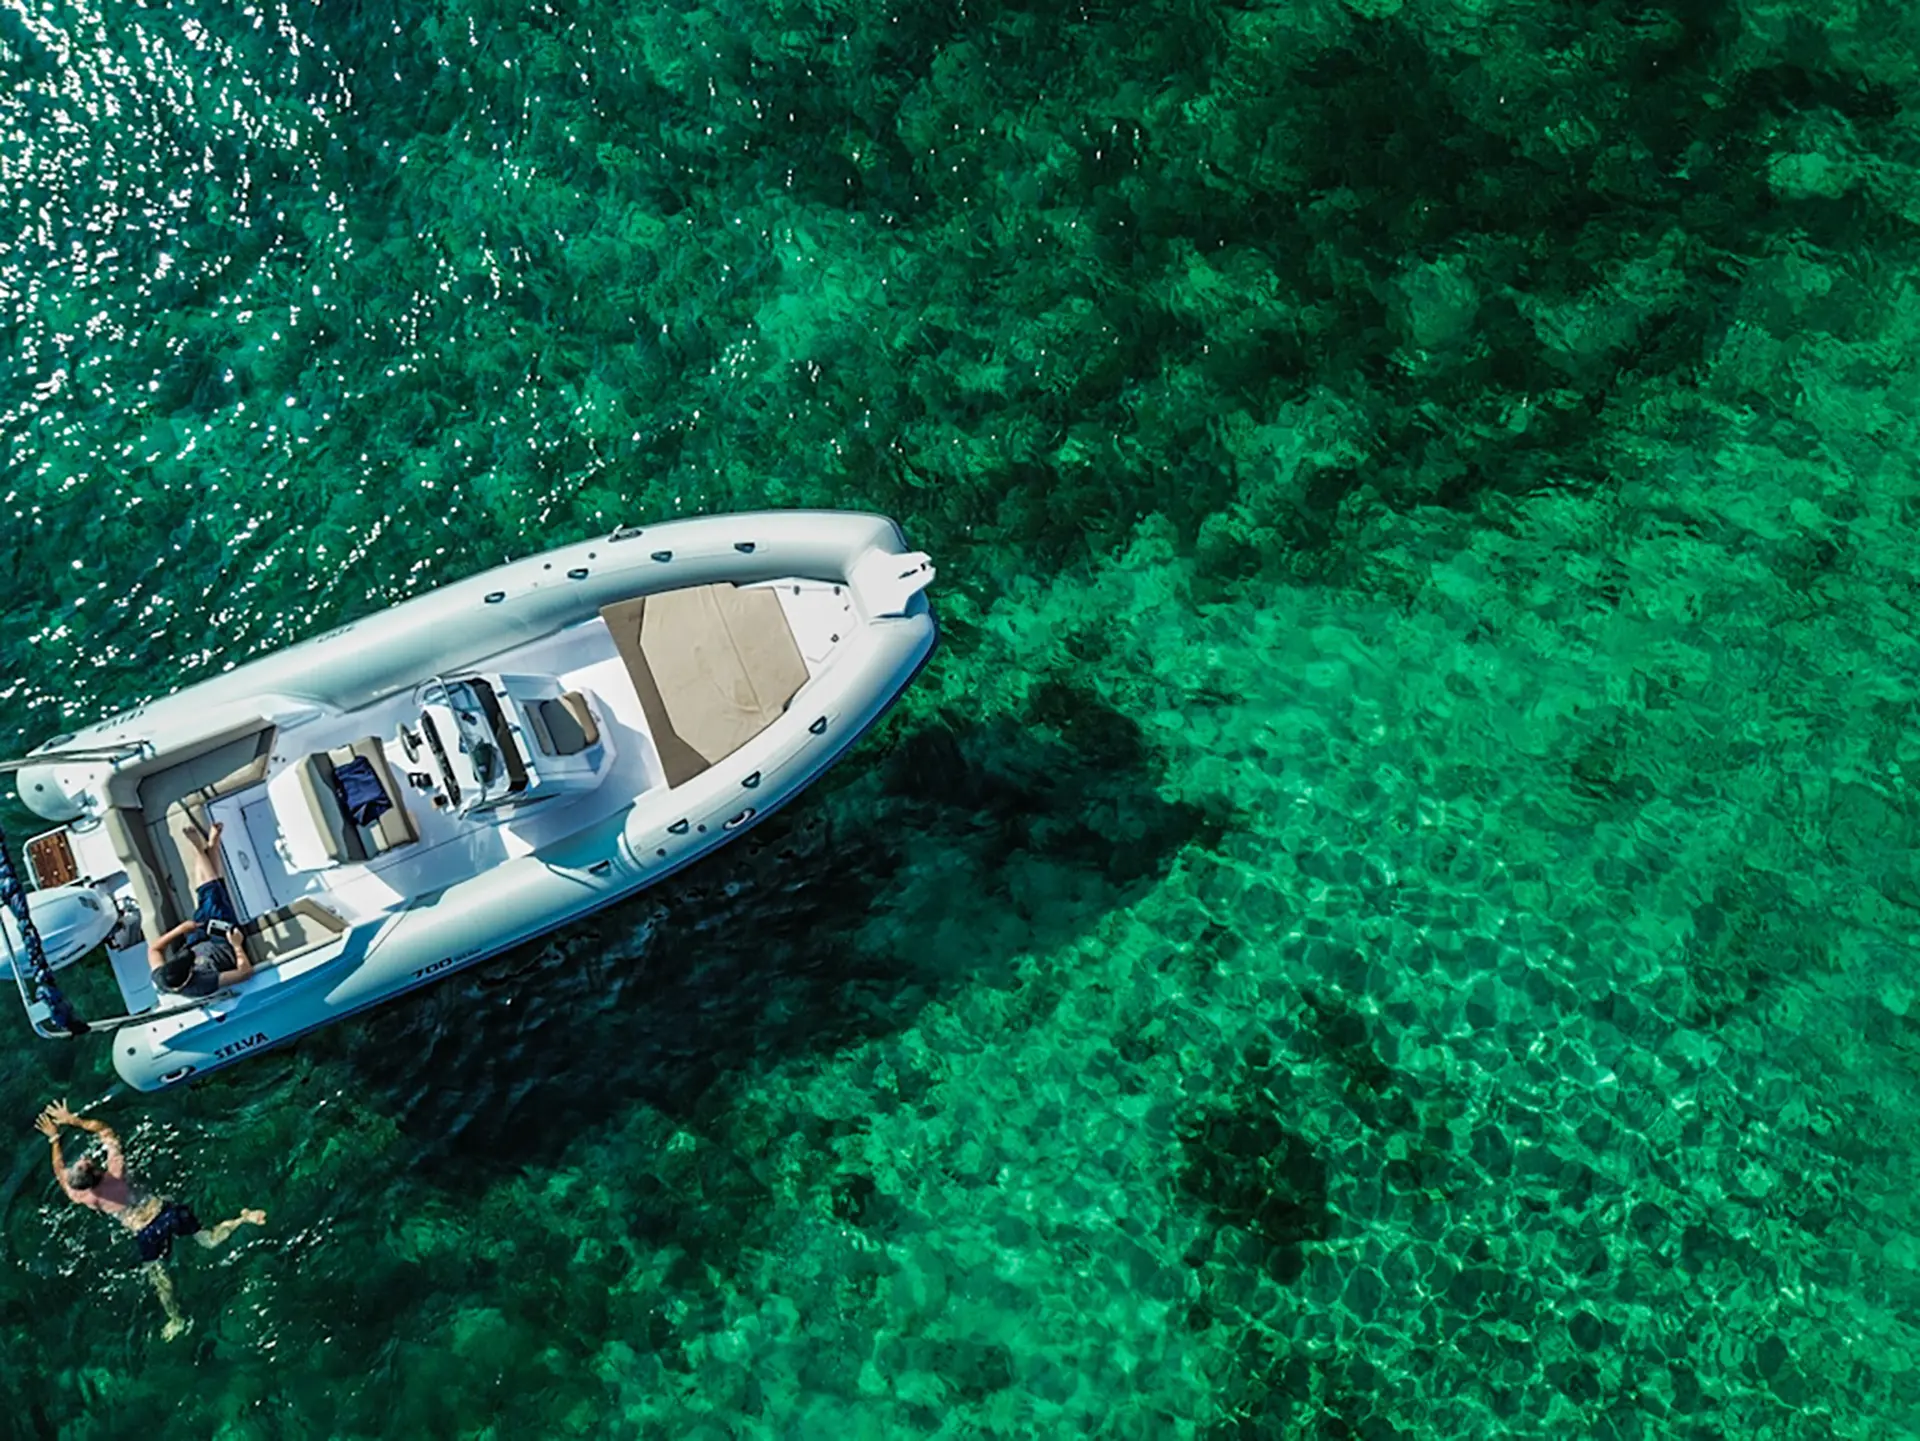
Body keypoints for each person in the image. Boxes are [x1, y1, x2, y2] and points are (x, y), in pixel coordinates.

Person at [33, 1099, 266, 1340]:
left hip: (146, 1233)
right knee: (207, 1240)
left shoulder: (82, 1197)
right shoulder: (116, 1170)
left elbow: (59, 1172)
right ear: (95, 1170)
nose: (84, 1158)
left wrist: (54, 1138)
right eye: (86, 1162)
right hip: (167, 1211)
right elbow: (104, 1130)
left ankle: (175, 1319)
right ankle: (242, 1219)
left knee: (158, 1276)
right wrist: (73, 1120)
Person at [148, 820, 254, 998]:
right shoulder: (201, 984)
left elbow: (154, 950)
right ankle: (202, 849)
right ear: (188, 976)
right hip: (222, 942)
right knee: (212, 893)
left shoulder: (161, 977)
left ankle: (209, 847)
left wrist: (180, 930)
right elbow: (245, 973)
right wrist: (236, 945)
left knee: (211, 892)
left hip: (195, 940)